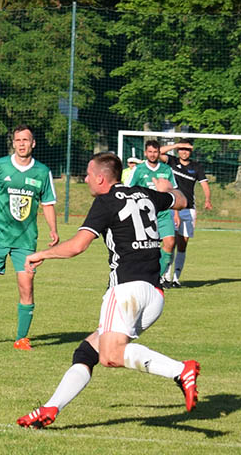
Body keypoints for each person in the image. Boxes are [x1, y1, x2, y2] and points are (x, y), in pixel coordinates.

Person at [17, 152, 199, 429]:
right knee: (87, 352)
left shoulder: (105, 202)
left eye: (89, 174)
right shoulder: (145, 193)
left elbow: (78, 245)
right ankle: (50, 408)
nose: (86, 179)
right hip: (154, 294)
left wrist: (41, 254)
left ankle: (180, 370)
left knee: (111, 356)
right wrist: (167, 190)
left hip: (126, 291)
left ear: (101, 178)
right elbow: (184, 199)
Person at [0, 124, 59, 350]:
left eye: (26, 140)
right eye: (18, 140)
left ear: (33, 143)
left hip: (25, 240)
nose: (22, 144)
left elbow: (48, 203)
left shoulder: (42, 172)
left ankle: (21, 338)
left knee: (27, 285)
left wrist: (53, 229)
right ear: (13, 143)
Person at [159, 139, 212, 287]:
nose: (184, 152)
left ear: (191, 152)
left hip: (188, 210)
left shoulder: (196, 167)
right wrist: (176, 145)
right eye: (181, 149)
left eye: (187, 150)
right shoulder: (172, 161)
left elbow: (204, 184)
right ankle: (165, 277)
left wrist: (208, 199)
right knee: (170, 242)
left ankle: (176, 279)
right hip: (171, 207)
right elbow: (158, 153)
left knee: (182, 245)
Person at [124, 140, 178, 284]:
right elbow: (127, 189)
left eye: (155, 152)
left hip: (164, 214)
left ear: (159, 153)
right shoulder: (139, 169)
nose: (153, 155)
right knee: (147, 249)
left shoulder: (166, 170)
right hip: (145, 216)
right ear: (145, 153)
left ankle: (155, 277)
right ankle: (141, 276)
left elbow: (174, 191)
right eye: (150, 152)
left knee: (170, 243)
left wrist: (177, 213)